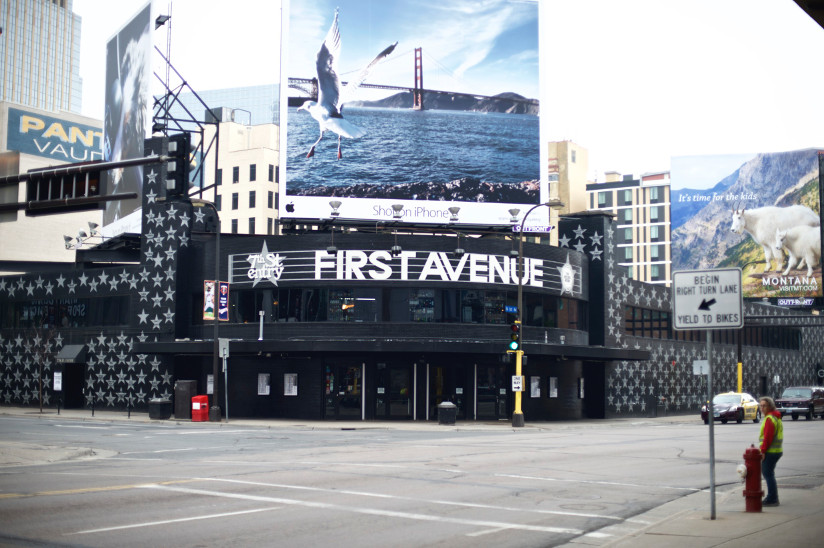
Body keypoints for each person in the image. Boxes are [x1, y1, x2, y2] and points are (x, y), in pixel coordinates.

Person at [758, 396, 783, 507]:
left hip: (771, 451)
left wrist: (763, 451)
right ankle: (773, 497)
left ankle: (772, 498)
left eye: (764, 406)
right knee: (769, 473)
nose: (762, 408)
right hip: (777, 450)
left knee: (768, 474)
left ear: (770, 406)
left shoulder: (769, 419)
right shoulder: (776, 417)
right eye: (761, 406)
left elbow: (768, 437)